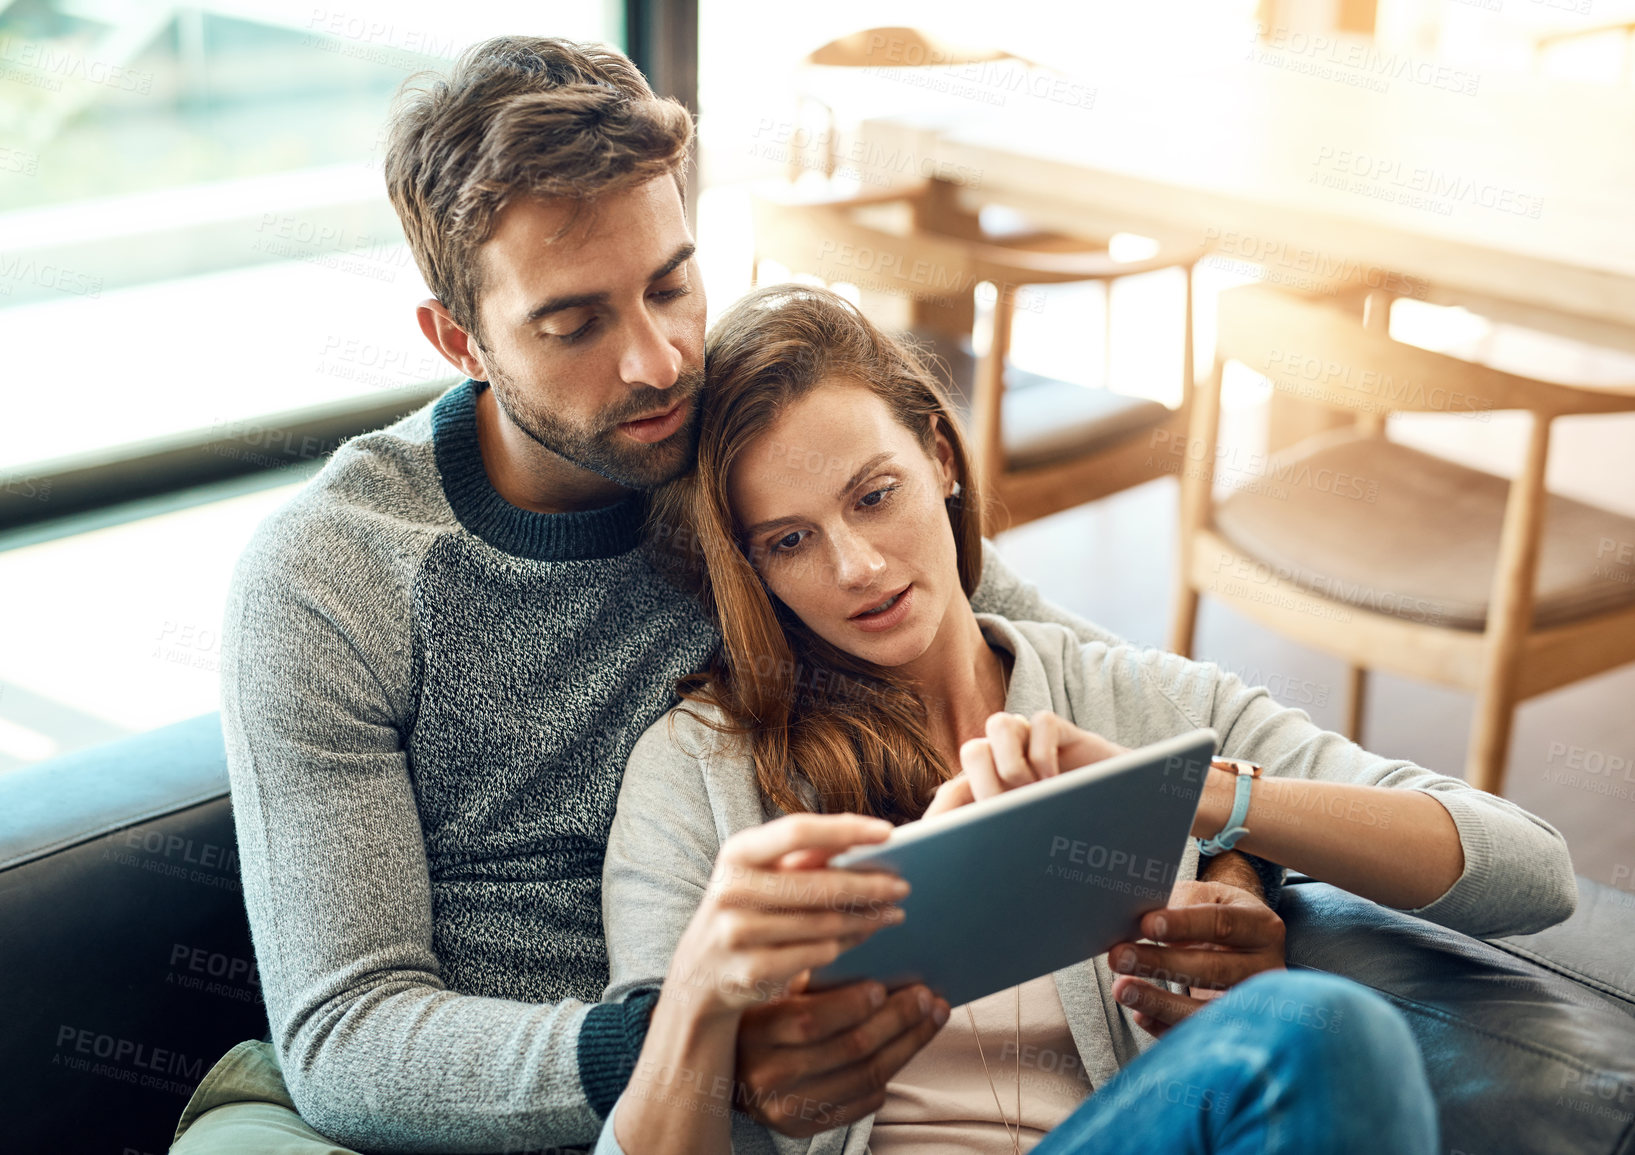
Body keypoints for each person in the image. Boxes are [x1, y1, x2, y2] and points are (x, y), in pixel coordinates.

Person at [168, 37, 1287, 1155]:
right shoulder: (334, 579)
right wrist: (676, 1048)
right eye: (574, 325)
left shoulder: (767, 472)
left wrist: (1236, 869)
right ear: (458, 337)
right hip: (542, 1103)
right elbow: (345, 1036)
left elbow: (1102, 695)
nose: (657, 363)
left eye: (672, 286)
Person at [591, 284, 1579, 1153]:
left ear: (941, 457)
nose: (855, 567)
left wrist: (1196, 798)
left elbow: (1531, 871)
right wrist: (699, 1003)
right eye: (791, 540)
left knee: (1320, 1030)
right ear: (752, 567)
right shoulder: (701, 771)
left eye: (875, 496)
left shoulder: (1130, 701)